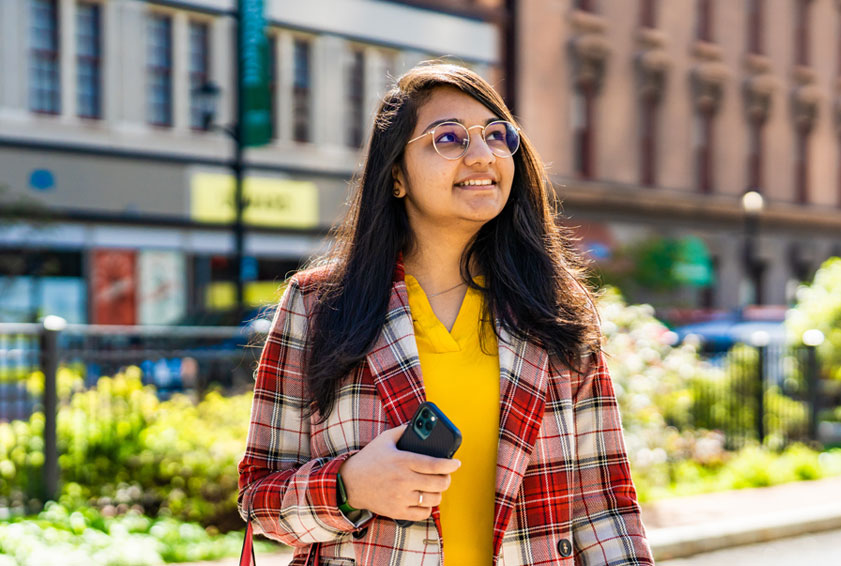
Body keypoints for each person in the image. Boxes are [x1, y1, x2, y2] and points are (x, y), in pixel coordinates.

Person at [237, 62, 653, 565]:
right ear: (396, 175)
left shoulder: (554, 307)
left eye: (497, 136)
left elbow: (605, 508)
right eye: (449, 139)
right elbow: (260, 498)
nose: (482, 155)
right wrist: (351, 486)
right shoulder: (319, 305)